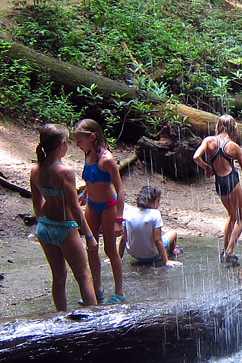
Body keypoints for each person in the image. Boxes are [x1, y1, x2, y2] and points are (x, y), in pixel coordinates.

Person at [30, 124, 98, 311]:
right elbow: (75, 210)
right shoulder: (65, 172)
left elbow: (37, 205)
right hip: (65, 227)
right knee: (83, 275)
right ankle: (95, 323)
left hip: (44, 227)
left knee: (59, 276)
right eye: (67, 142)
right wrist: (89, 236)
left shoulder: (36, 170)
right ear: (61, 145)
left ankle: (60, 318)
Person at [74, 118, 125, 304]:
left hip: (108, 207)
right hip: (92, 205)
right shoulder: (87, 154)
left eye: (80, 141)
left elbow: (120, 190)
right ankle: (97, 289)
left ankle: (119, 291)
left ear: (92, 137)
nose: (77, 145)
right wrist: (84, 194)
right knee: (92, 246)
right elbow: (91, 180)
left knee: (110, 249)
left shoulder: (107, 159)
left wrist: (119, 219)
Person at [193, 114, 242, 266]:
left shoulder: (209, 141)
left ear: (219, 126)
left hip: (219, 182)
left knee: (231, 215)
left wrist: (206, 167)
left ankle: (224, 250)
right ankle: (230, 251)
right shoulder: (234, 146)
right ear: (233, 128)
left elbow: (196, 157)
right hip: (231, 179)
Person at [118, 185, 182, 267]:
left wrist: (118, 258)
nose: (158, 204)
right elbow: (157, 240)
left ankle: (168, 252)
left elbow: (123, 239)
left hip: (133, 253)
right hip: (152, 255)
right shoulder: (155, 214)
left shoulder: (128, 213)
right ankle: (171, 252)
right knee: (173, 233)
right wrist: (166, 261)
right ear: (151, 202)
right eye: (158, 201)